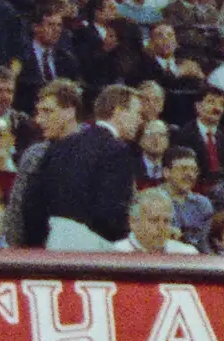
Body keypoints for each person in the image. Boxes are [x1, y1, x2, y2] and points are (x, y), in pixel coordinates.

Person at [18, 83, 139, 248]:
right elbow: (110, 215)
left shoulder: (61, 144)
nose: (140, 120)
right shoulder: (116, 150)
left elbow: (31, 205)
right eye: (137, 113)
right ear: (118, 111)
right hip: (92, 254)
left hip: (51, 247)